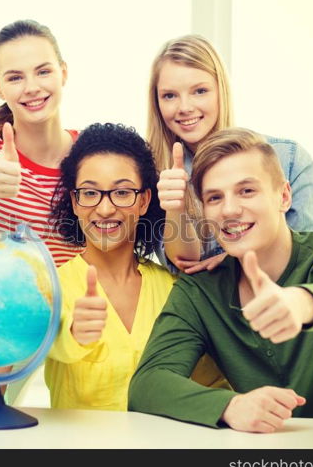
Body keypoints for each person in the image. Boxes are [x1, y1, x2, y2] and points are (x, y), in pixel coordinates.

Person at [128, 128, 313, 432]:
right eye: (215, 197)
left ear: (284, 196)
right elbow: (148, 384)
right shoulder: (200, 290)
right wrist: (229, 406)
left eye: (247, 191)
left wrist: (301, 303)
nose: (230, 209)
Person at [45, 123, 227, 411]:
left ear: (144, 201)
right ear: (75, 203)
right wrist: (72, 335)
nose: (105, 209)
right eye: (90, 193)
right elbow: (40, 344)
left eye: (122, 193)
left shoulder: (175, 291)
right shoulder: (50, 288)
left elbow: (212, 386)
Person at [147, 35, 313, 273]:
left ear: (221, 90)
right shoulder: (158, 174)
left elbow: (311, 256)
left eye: (200, 91)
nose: (185, 107)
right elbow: (185, 265)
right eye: (170, 95)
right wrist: (176, 207)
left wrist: (234, 261)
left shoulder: (289, 159)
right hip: (203, 309)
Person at [0, 20, 83, 267]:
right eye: (15, 78)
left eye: (43, 72)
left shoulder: (90, 154)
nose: (32, 88)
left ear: (64, 74)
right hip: (4, 303)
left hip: (79, 303)